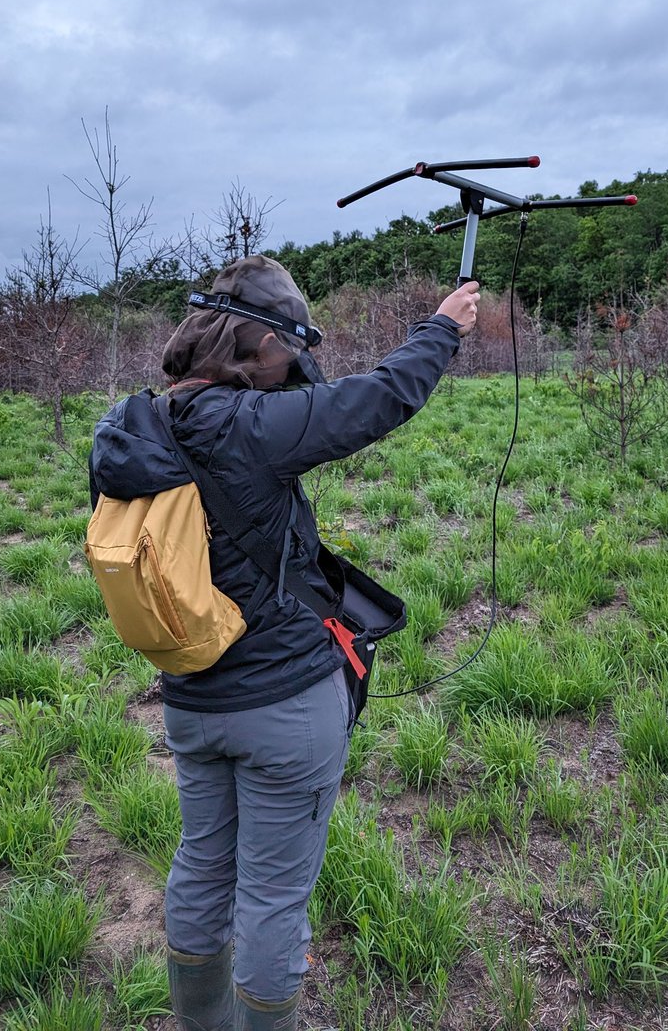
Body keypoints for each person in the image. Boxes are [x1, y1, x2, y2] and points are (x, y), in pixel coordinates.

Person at [89, 256, 479, 1031]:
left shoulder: (130, 430)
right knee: (271, 897)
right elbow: (377, 398)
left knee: (202, 865)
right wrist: (441, 329)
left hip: (191, 700)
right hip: (284, 708)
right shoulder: (248, 429)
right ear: (249, 348)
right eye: (283, 353)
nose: (291, 368)